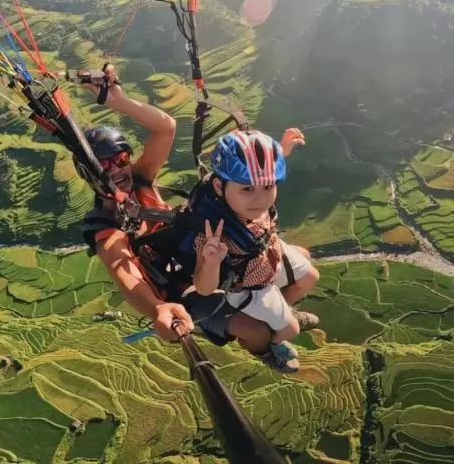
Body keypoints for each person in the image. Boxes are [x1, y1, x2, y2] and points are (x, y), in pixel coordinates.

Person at [76, 65, 317, 372]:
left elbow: (166, 128)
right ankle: (266, 348)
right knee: (255, 332)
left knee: (302, 262)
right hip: (181, 291)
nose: (116, 170)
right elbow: (124, 273)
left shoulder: (140, 180)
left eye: (121, 159)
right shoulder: (106, 227)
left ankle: (278, 315)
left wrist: (118, 101)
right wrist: (158, 308)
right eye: (103, 165)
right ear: (88, 172)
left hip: (196, 256)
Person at [192, 129, 319, 372]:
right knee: (290, 330)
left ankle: (280, 316)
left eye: (268, 187)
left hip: (266, 256)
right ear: (219, 186)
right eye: (247, 189)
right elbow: (204, 288)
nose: (260, 199)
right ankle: (271, 344)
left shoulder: (246, 204)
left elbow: (259, 173)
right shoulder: (213, 232)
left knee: (311, 276)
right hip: (249, 286)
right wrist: (211, 261)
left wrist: (281, 149)